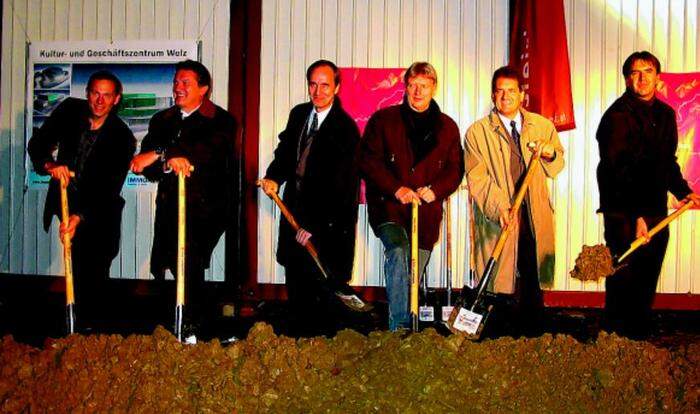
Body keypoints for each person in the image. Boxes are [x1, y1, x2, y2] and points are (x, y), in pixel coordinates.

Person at [596, 51, 699, 339]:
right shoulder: (616, 117)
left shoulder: (665, 115)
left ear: (657, 76)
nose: (641, 78)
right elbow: (617, 170)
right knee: (623, 277)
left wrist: (684, 191)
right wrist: (635, 216)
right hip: (623, 211)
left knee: (648, 274)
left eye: (648, 71)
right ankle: (615, 340)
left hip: (654, 209)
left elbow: (667, 161)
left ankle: (637, 338)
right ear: (627, 78)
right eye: (635, 72)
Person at [130, 60, 238, 330]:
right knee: (170, 265)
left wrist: (160, 154)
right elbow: (148, 169)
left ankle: (193, 327)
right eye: (176, 82)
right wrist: (166, 161)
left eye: (185, 83)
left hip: (205, 209)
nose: (178, 87)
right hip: (170, 206)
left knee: (189, 263)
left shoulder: (222, 121)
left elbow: (203, 155)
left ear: (203, 89)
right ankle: (179, 325)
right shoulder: (162, 120)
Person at [259, 60, 361, 336]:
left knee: (322, 288)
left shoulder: (345, 129)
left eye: (325, 84)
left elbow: (342, 188)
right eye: (313, 84)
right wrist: (273, 178)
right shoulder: (299, 115)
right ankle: (297, 344)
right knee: (296, 281)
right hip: (294, 212)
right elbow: (285, 153)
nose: (318, 91)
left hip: (326, 226)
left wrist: (313, 227)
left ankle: (321, 349)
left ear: (337, 88)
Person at [360, 62, 464, 331]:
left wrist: (435, 191)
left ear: (434, 88)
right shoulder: (383, 121)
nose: (418, 91)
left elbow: (455, 169)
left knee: (414, 270)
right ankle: (400, 327)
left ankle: (411, 325)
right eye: (413, 85)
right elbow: (369, 161)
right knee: (398, 251)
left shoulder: (448, 128)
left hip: (426, 214)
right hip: (389, 208)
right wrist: (397, 189)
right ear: (405, 86)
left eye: (424, 86)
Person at [28, 70, 136, 324]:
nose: (100, 100)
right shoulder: (69, 112)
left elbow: (108, 188)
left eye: (106, 95)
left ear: (116, 99)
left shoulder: (121, 137)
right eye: (95, 93)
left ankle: (92, 333)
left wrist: (80, 217)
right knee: (74, 268)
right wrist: (50, 165)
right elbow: (39, 143)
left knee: (95, 272)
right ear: (87, 93)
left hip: (100, 213)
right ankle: (74, 328)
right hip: (68, 201)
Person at [464, 66, 565, 337]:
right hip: (499, 216)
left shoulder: (542, 127)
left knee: (533, 274)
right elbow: (478, 179)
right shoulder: (477, 133)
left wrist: (549, 154)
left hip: (533, 214)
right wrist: (500, 208)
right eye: (500, 91)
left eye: (511, 90)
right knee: (499, 277)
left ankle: (533, 336)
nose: (505, 96)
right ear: (493, 95)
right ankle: (497, 339)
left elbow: (557, 165)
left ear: (522, 94)